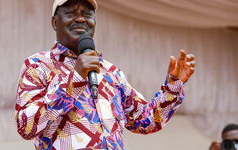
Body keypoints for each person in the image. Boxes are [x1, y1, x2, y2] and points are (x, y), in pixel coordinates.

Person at [14, 0, 195, 149]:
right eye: (70, 13)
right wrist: (76, 78)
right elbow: (25, 127)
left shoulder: (111, 72)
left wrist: (173, 86)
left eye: (87, 14)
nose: (80, 19)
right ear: (55, 22)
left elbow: (145, 121)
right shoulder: (38, 66)